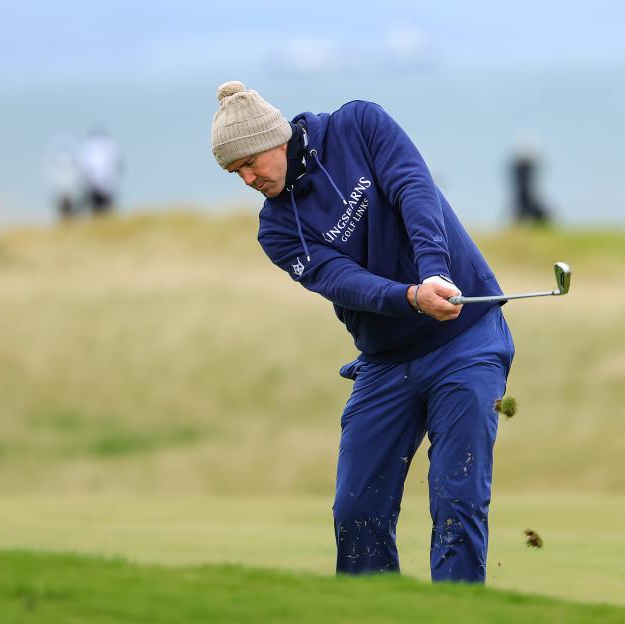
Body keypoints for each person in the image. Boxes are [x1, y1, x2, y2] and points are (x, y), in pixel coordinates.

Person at [211, 82, 515, 582]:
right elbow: (343, 282)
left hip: (466, 340)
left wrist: (434, 271)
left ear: (275, 138)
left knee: (456, 499)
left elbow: (413, 189)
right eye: (234, 172)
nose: (246, 178)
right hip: (387, 361)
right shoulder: (277, 230)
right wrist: (412, 297)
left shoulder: (359, 126)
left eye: (249, 163)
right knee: (355, 512)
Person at [77, 128, 123, 215]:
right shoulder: (110, 146)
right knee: (105, 209)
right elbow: (118, 164)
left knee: (97, 209)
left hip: (94, 184)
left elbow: (84, 167)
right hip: (106, 184)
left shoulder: (88, 148)